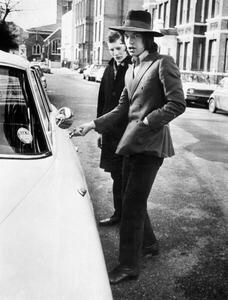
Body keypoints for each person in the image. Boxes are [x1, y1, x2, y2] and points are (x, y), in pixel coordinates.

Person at [72, 10, 186, 284]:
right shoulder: (132, 68)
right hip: (130, 144)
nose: (130, 41)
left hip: (151, 145)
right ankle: (148, 245)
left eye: (136, 36)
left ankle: (127, 266)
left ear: (148, 38)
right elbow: (123, 108)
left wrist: (149, 119)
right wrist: (93, 124)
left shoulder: (163, 63)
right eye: (127, 36)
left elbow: (177, 103)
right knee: (129, 198)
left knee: (132, 205)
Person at [97, 31, 131, 226]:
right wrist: (101, 130)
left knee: (123, 176)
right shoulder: (109, 68)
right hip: (110, 132)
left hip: (126, 132)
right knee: (115, 174)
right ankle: (120, 214)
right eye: (112, 50)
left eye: (119, 48)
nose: (116, 53)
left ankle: (124, 216)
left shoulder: (132, 67)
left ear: (125, 45)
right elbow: (102, 101)